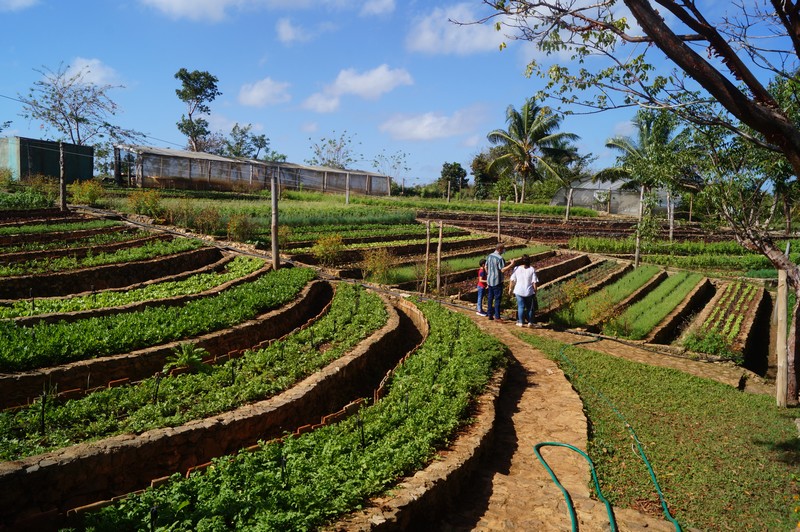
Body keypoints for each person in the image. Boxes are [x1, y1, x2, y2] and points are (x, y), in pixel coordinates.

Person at [484, 243, 515, 321]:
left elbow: (485, 267)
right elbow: (502, 270)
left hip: (490, 280)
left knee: (490, 298)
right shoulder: (500, 259)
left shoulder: (489, 256)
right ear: (500, 249)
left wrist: (489, 274)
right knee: (497, 299)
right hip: (497, 281)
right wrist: (511, 264)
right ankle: (497, 316)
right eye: (503, 249)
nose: (504, 250)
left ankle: (489, 314)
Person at [508, 254, 539, 327]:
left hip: (519, 291)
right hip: (528, 291)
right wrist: (535, 290)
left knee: (520, 307)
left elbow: (512, 280)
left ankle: (521, 322)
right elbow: (534, 282)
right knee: (529, 307)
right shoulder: (531, 269)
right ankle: (530, 322)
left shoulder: (517, 268)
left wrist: (510, 289)